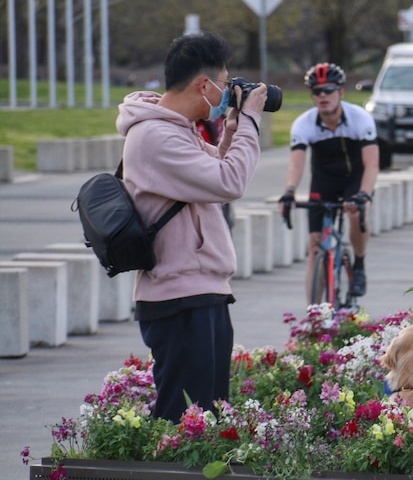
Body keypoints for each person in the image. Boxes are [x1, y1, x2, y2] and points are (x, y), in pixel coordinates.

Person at [116, 32, 269, 423]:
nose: (225, 92)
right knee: (185, 420)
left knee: (208, 419)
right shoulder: (155, 136)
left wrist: (233, 127)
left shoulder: (176, 128)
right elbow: (229, 183)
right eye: (224, 82)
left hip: (201, 291)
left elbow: (212, 179)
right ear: (205, 84)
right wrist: (251, 118)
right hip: (179, 297)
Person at [280, 63, 379, 303]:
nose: (323, 96)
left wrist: (363, 195)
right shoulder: (304, 124)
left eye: (329, 90)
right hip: (323, 182)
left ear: (341, 92)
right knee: (315, 248)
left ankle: (359, 263)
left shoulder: (360, 118)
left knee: (356, 213)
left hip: (354, 179)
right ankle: (313, 316)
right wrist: (289, 191)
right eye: (317, 91)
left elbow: (372, 165)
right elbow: (296, 164)